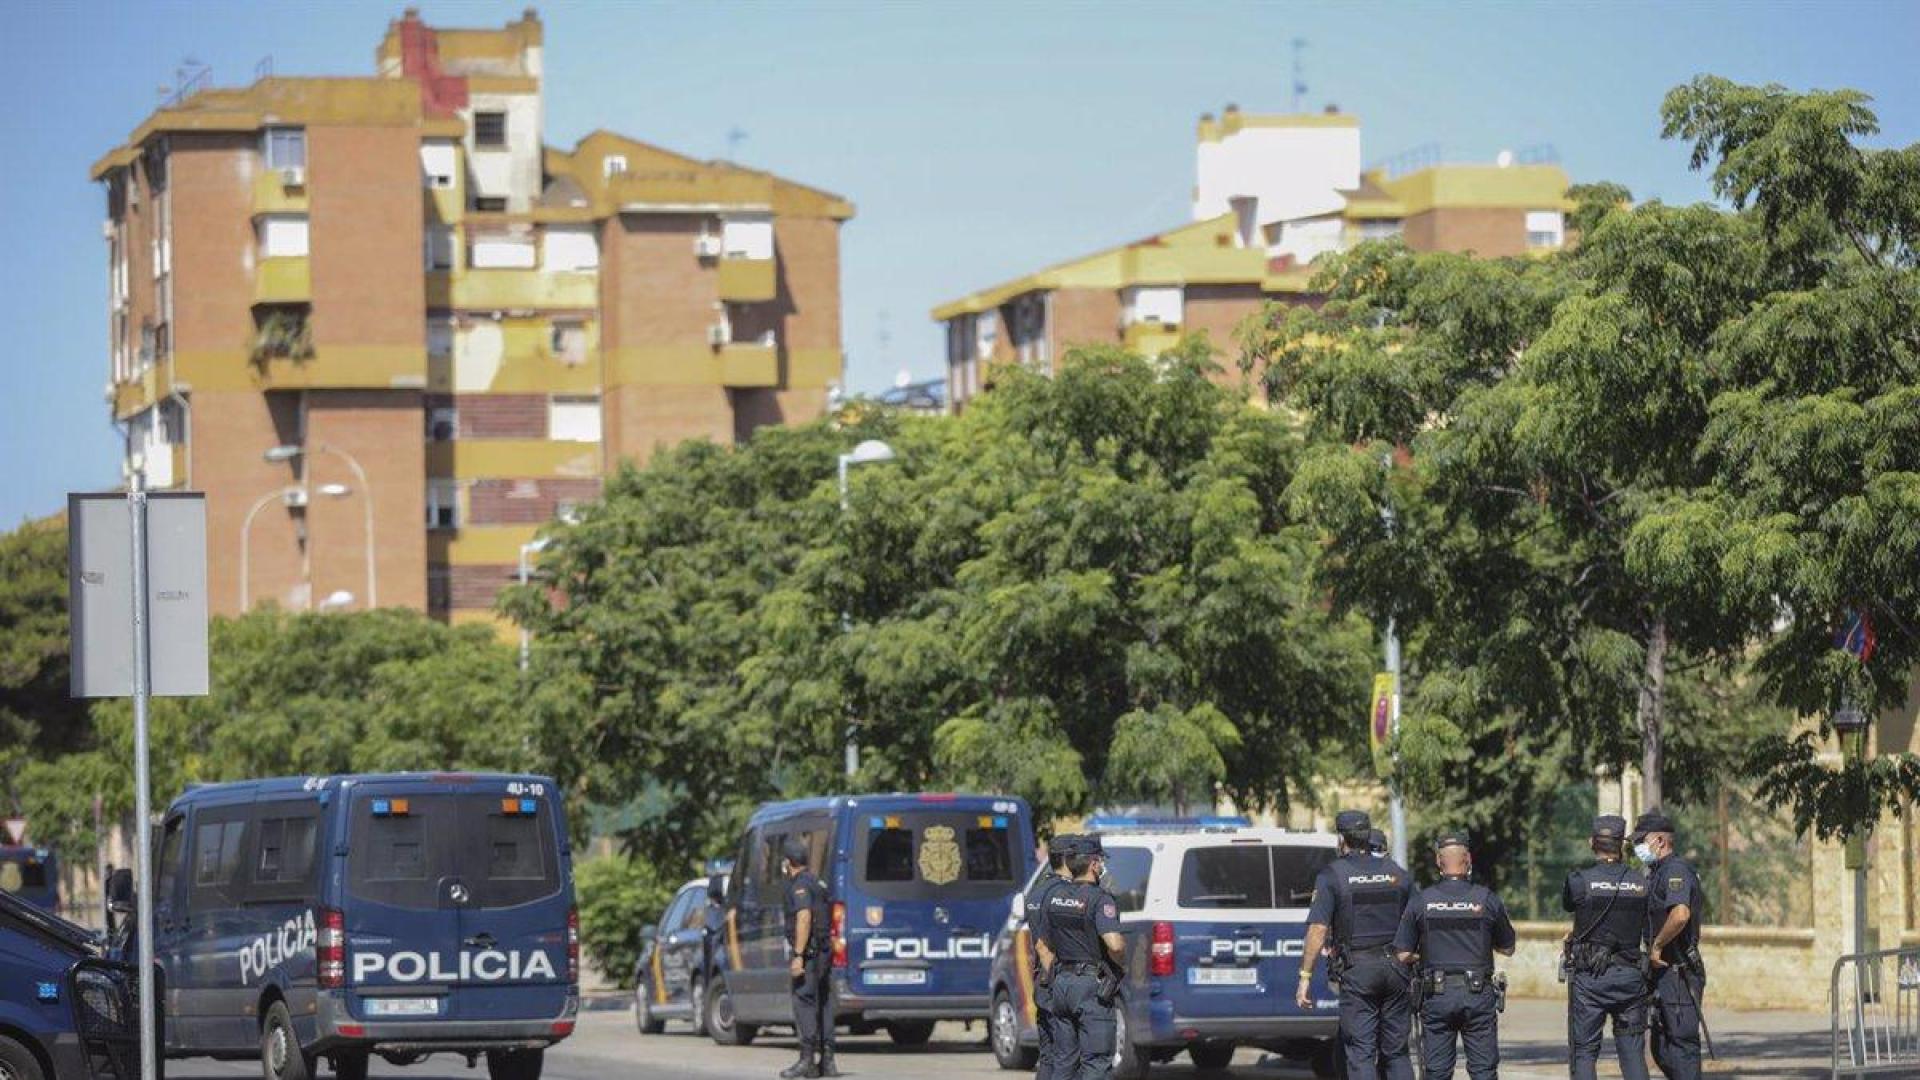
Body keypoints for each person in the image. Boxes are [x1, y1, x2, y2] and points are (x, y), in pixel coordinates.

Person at [1299, 810, 1416, 1080]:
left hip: (1359, 970)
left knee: (1360, 1052)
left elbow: (1318, 929)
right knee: (1396, 1052)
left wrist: (1305, 975)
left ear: (1341, 839)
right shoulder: (1398, 875)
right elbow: (1420, 919)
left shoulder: (1333, 875)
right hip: (1397, 968)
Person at [1393, 830, 1515, 1080]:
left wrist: (1424, 956)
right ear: (1468, 859)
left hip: (1437, 995)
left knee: (1436, 1072)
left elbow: (1403, 954)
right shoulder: (1487, 899)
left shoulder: (1422, 901)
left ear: (1439, 861)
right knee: (1483, 1072)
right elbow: (1508, 947)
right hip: (1478, 995)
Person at [1562, 815, 1652, 1080]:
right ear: (1621, 845)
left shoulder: (1579, 881)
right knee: (1633, 1054)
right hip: (1630, 978)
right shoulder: (1641, 883)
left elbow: (1569, 904)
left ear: (1592, 842)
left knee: (1585, 1053)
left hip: (1590, 979)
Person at [1038, 834, 1125, 1080]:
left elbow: (1043, 947)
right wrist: (1120, 965)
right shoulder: (1100, 899)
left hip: (1062, 985)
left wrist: (1058, 980)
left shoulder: (1053, 897)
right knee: (1096, 1062)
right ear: (1094, 864)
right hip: (1091, 990)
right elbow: (1115, 945)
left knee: (1064, 1061)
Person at [1636, 810, 1706, 1080]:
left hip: (1679, 971)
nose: (1638, 847)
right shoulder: (1656, 872)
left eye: (1641, 841)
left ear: (1660, 840)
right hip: (1663, 973)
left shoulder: (1675, 870)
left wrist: (1657, 945)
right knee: (1662, 1048)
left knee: (1681, 1046)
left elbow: (1680, 915)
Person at [779, 838, 836, 1079]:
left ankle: (806, 1060)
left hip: (810, 954)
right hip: (824, 952)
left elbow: (804, 918)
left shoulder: (799, 885)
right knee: (823, 1004)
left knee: (804, 1002)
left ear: (788, 863)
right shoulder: (818, 883)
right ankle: (828, 1061)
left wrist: (798, 956)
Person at [1026, 834, 1078, 1080]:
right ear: (1069, 859)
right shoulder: (1066, 894)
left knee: (1048, 1055)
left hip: (1042, 981)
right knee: (1067, 1055)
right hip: (1061, 980)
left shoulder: (1036, 892)